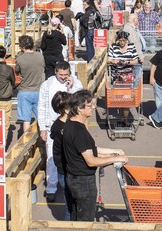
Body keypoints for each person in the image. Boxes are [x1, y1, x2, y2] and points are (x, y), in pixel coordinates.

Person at [63, 90, 128, 221]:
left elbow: (89, 149)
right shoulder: (80, 132)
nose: (93, 107)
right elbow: (91, 161)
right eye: (89, 105)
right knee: (85, 220)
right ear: (80, 109)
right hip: (83, 182)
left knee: (76, 216)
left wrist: (113, 151)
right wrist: (116, 158)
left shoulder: (70, 124)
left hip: (73, 178)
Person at [38, 61, 83, 203]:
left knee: (72, 156)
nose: (64, 77)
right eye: (61, 74)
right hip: (53, 125)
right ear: (56, 71)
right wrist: (43, 128)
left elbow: (80, 102)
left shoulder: (76, 83)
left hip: (71, 125)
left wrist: (71, 87)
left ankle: (70, 185)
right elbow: (42, 106)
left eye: (66, 74)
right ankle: (51, 188)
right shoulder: (47, 85)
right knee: (51, 157)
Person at [49, 91, 73, 221]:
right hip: (65, 171)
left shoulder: (62, 125)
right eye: (72, 105)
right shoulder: (62, 129)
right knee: (70, 207)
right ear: (64, 109)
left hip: (65, 170)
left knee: (71, 205)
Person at [15, 35, 45, 133]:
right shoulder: (40, 56)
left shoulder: (20, 59)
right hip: (38, 89)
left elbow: (17, 72)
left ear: (21, 46)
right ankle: (41, 140)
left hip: (25, 91)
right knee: (40, 118)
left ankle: (27, 141)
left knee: (26, 120)